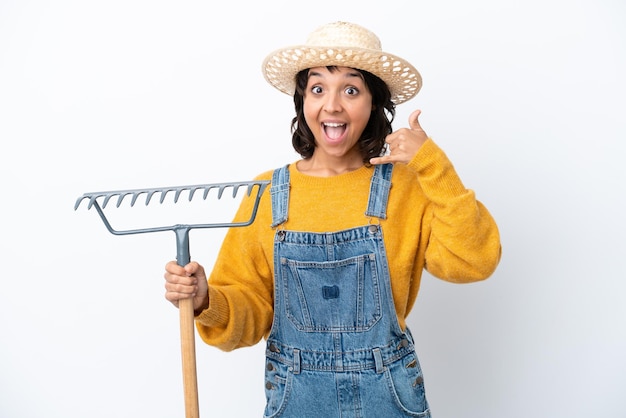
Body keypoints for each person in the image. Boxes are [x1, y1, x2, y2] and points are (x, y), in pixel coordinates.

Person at [164, 21, 501, 417]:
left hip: (388, 396)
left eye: (351, 90)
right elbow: (250, 313)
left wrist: (433, 165)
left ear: (374, 102)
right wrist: (206, 300)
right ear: (302, 101)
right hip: (297, 397)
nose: (333, 105)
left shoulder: (407, 186)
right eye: (318, 88)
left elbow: (474, 261)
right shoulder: (268, 194)